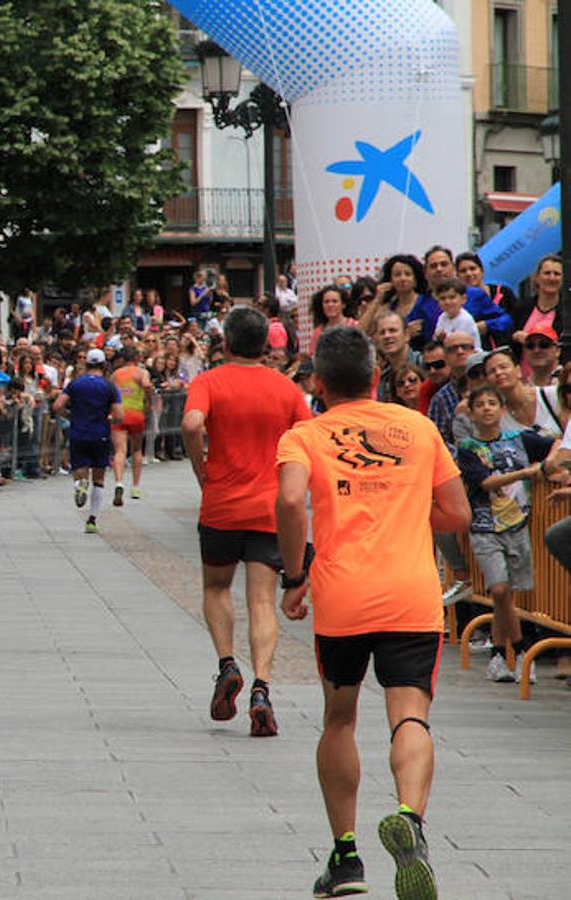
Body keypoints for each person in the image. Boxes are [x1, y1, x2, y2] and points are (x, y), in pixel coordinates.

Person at [275, 325, 469, 900]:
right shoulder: (418, 427)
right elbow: (457, 512)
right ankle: (410, 817)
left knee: (340, 718)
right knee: (410, 714)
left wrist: (294, 575)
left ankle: (346, 858)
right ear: (376, 375)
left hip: (342, 596)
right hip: (411, 593)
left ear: (318, 382)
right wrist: (404, 511)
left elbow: (290, 500)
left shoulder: (304, 435)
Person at [181, 306, 310, 738]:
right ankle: (262, 687)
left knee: (216, 588)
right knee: (262, 600)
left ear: (226, 342)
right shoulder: (285, 388)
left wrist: (201, 469)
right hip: (269, 508)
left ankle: (226, 663)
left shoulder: (209, 381)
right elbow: (308, 437)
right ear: (265, 345)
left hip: (221, 504)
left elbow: (192, 423)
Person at [456, 384, 556, 683]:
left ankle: (499, 655)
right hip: (485, 526)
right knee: (499, 590)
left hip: (518, 524)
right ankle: (522, 648)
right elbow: (485, 482)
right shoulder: (468, 448)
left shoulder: (520, 438)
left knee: (509, 596)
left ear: (502, 410)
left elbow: (557, 444)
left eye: (492, 403)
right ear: (471, 413)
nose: (486, 408)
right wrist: (527, 473)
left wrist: (546, 466)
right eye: (480, 404)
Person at [52, 349, 121, 535]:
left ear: (87, 364)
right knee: (98, 478)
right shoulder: (109, 386)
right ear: (104, 365)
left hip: (78, 432)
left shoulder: (75, 384)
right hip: (101, 434)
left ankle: (79, 485)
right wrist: (109, 418)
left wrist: (69, 414)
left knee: (79, 470)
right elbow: (119, 415)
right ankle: (92, 520)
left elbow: (57, 406)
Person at [108, 345, 150, 504]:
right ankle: (135, 487)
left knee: (120, 451)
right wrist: (148, 400)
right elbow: (146, 384)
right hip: (136, 414)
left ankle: (119, 482)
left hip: (120, 414)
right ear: (137, 358)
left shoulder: (116, 374)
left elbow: (110, 392)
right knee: (137, 450)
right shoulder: (141, 372)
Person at [429, 277, 480, 351]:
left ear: (463, 299)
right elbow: (436, 339)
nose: (447, 302)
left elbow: (457, 343)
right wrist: (439, 338)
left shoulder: (465, 319)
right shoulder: (442, 317)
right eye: (442, 298)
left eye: (452, 297)